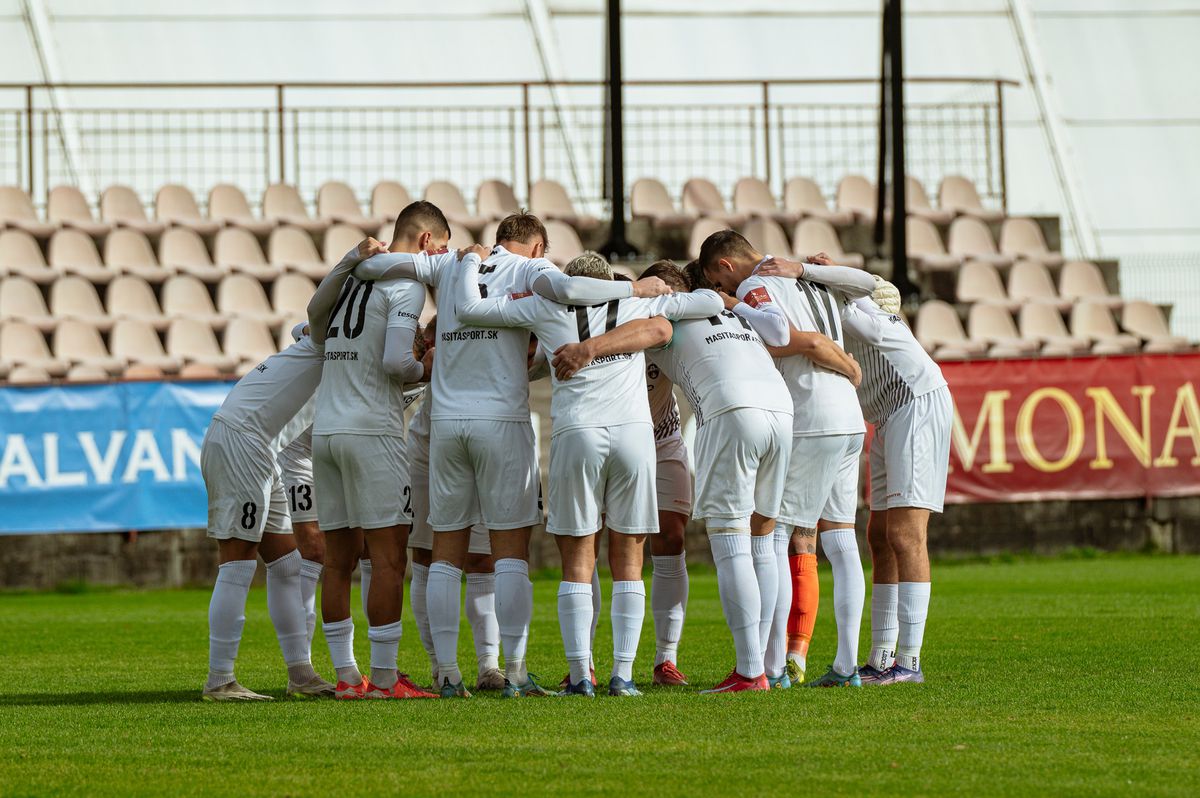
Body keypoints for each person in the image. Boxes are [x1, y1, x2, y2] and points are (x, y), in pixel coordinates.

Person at [353, 212, 671, 699]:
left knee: (445, 553)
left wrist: (361, 256)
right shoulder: (531, 273)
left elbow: (381, 269)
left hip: (446, 422)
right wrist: (635, 291)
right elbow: (569, 293)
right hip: (500, 420)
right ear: (539, 246)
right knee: (509, 555)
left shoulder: (450, 265)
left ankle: (448, 673)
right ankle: (516, 671)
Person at [454, 250, 722, 697]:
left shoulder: (546, 305)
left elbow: (470, 311)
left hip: (578, 432)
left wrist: (467, 264)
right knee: (629, 562)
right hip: (635, 437)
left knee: (578, 560)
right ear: (609, 281)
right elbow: (711, 304)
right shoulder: (639, 304)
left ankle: (581, 676)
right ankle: (624, 674)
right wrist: (655, 291)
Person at [552, 259, 794, 693]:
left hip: (659, 439)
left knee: (673, 539)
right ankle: (584, 663)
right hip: (615, 428)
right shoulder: (623, 314)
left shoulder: (674, 316)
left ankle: (668, 658)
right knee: (589, 542)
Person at [199, 239, 379, 701]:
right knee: (237, 564)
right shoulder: (327, 339)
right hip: (243, 440)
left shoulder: (328, 344)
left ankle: (300, 672)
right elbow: (318, 311)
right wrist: (351, 258)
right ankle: (220, 679)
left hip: (262, 448)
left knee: (287, 563)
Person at [757, 260, 951, 685]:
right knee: (878, 536)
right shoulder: (830, 302)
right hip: (886, 414)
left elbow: (867, 282)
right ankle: (881, 658)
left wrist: (804, 268)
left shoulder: (851, 303)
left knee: (905, 535)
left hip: (914, 400)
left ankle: (909, 661)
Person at [701, 230, 872, 688]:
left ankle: (772, 666)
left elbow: (777, 332)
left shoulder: (757, 285)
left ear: (725, 267)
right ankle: (846, 665)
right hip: (849, 418)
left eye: (720, 284)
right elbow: (869, 288)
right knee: (841, 540)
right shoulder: (808, 277)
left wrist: (736, 305)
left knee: (774, 537)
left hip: (811, 413)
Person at [311, 201, 442, 700]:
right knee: (388, 559)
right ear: (427, 242)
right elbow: (393, 363)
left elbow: (314, 323)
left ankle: (348, 678)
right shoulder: (405, 284)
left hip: (327, 430)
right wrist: (424, 367)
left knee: (338, 560)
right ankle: (386, 678)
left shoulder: (352, 279)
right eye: (442, 250)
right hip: (373, 431)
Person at [406, 318, 503, 691]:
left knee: (483, 558)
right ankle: (440, 665)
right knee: (428, 557)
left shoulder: (490, 331)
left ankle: (489, 666)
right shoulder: (440, 337)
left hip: (481, 449)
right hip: (429, 452)